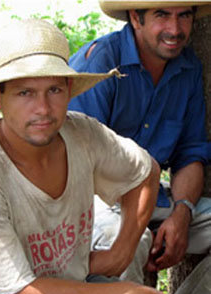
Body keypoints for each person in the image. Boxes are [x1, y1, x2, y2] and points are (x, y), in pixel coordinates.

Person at [0, 18, 169, 294]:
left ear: (69, 89)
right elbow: (16, 291)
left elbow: (145, 172)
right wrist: (123, 293)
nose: (43, 109)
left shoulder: (82, 132)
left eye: (54, 90)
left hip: (75, 285)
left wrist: (122, 250)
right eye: (25, 93)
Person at [68, 0, 211, 279]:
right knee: (128, 244)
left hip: (155, 197)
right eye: (162, 15)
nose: (175, 29)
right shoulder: (102, 61)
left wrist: (182, 213)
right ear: (136, 17)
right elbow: (76, 163)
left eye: (184, 16)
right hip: (95, 203)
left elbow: (190, 153)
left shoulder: (188, 67)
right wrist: (136, 225)